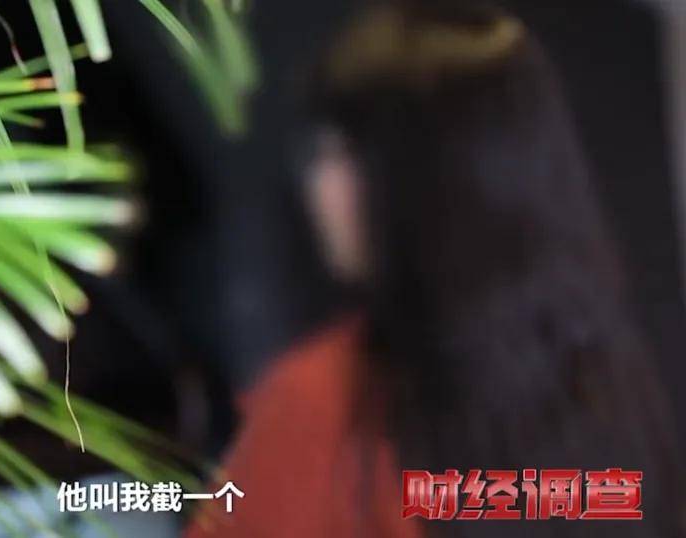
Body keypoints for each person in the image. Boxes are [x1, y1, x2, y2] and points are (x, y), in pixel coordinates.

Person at [185, 1, 684, 537]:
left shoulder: (322, 406)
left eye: (344, 152)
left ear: (435, 177)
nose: (318, 184)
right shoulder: (610, 380)